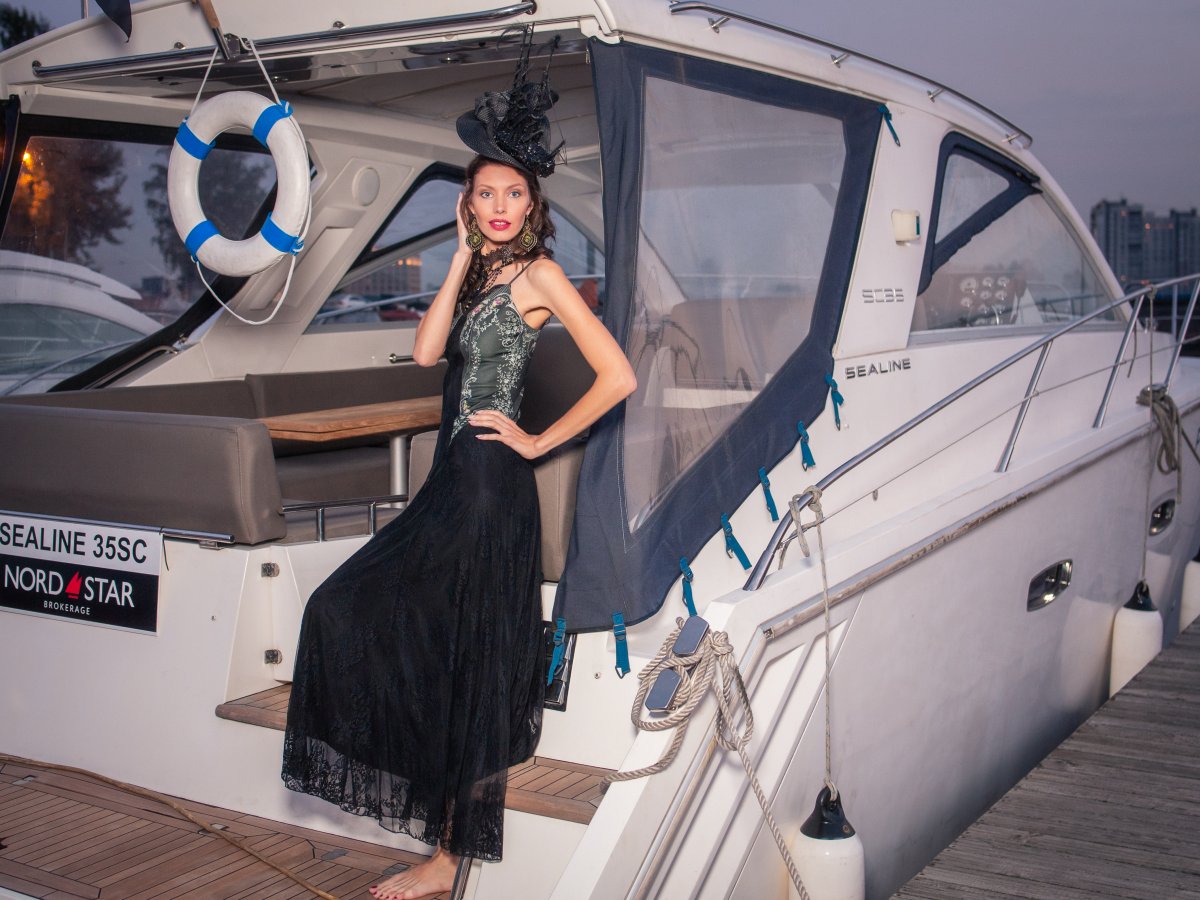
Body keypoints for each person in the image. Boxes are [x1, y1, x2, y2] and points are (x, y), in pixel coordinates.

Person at [280, 38, 635, 900]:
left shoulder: (541, 275)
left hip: (487, 486)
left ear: (533, 204)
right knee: (354, 614)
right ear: (469, 204)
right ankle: (442, 846)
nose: (502, 206)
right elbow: (427, 350)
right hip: (452, 481)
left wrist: (536, 442)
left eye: (515, 194)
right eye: (486, 194)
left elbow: (618, 375)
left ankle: (446, 858)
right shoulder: (480, 273)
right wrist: (457, 261)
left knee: (466, 659)